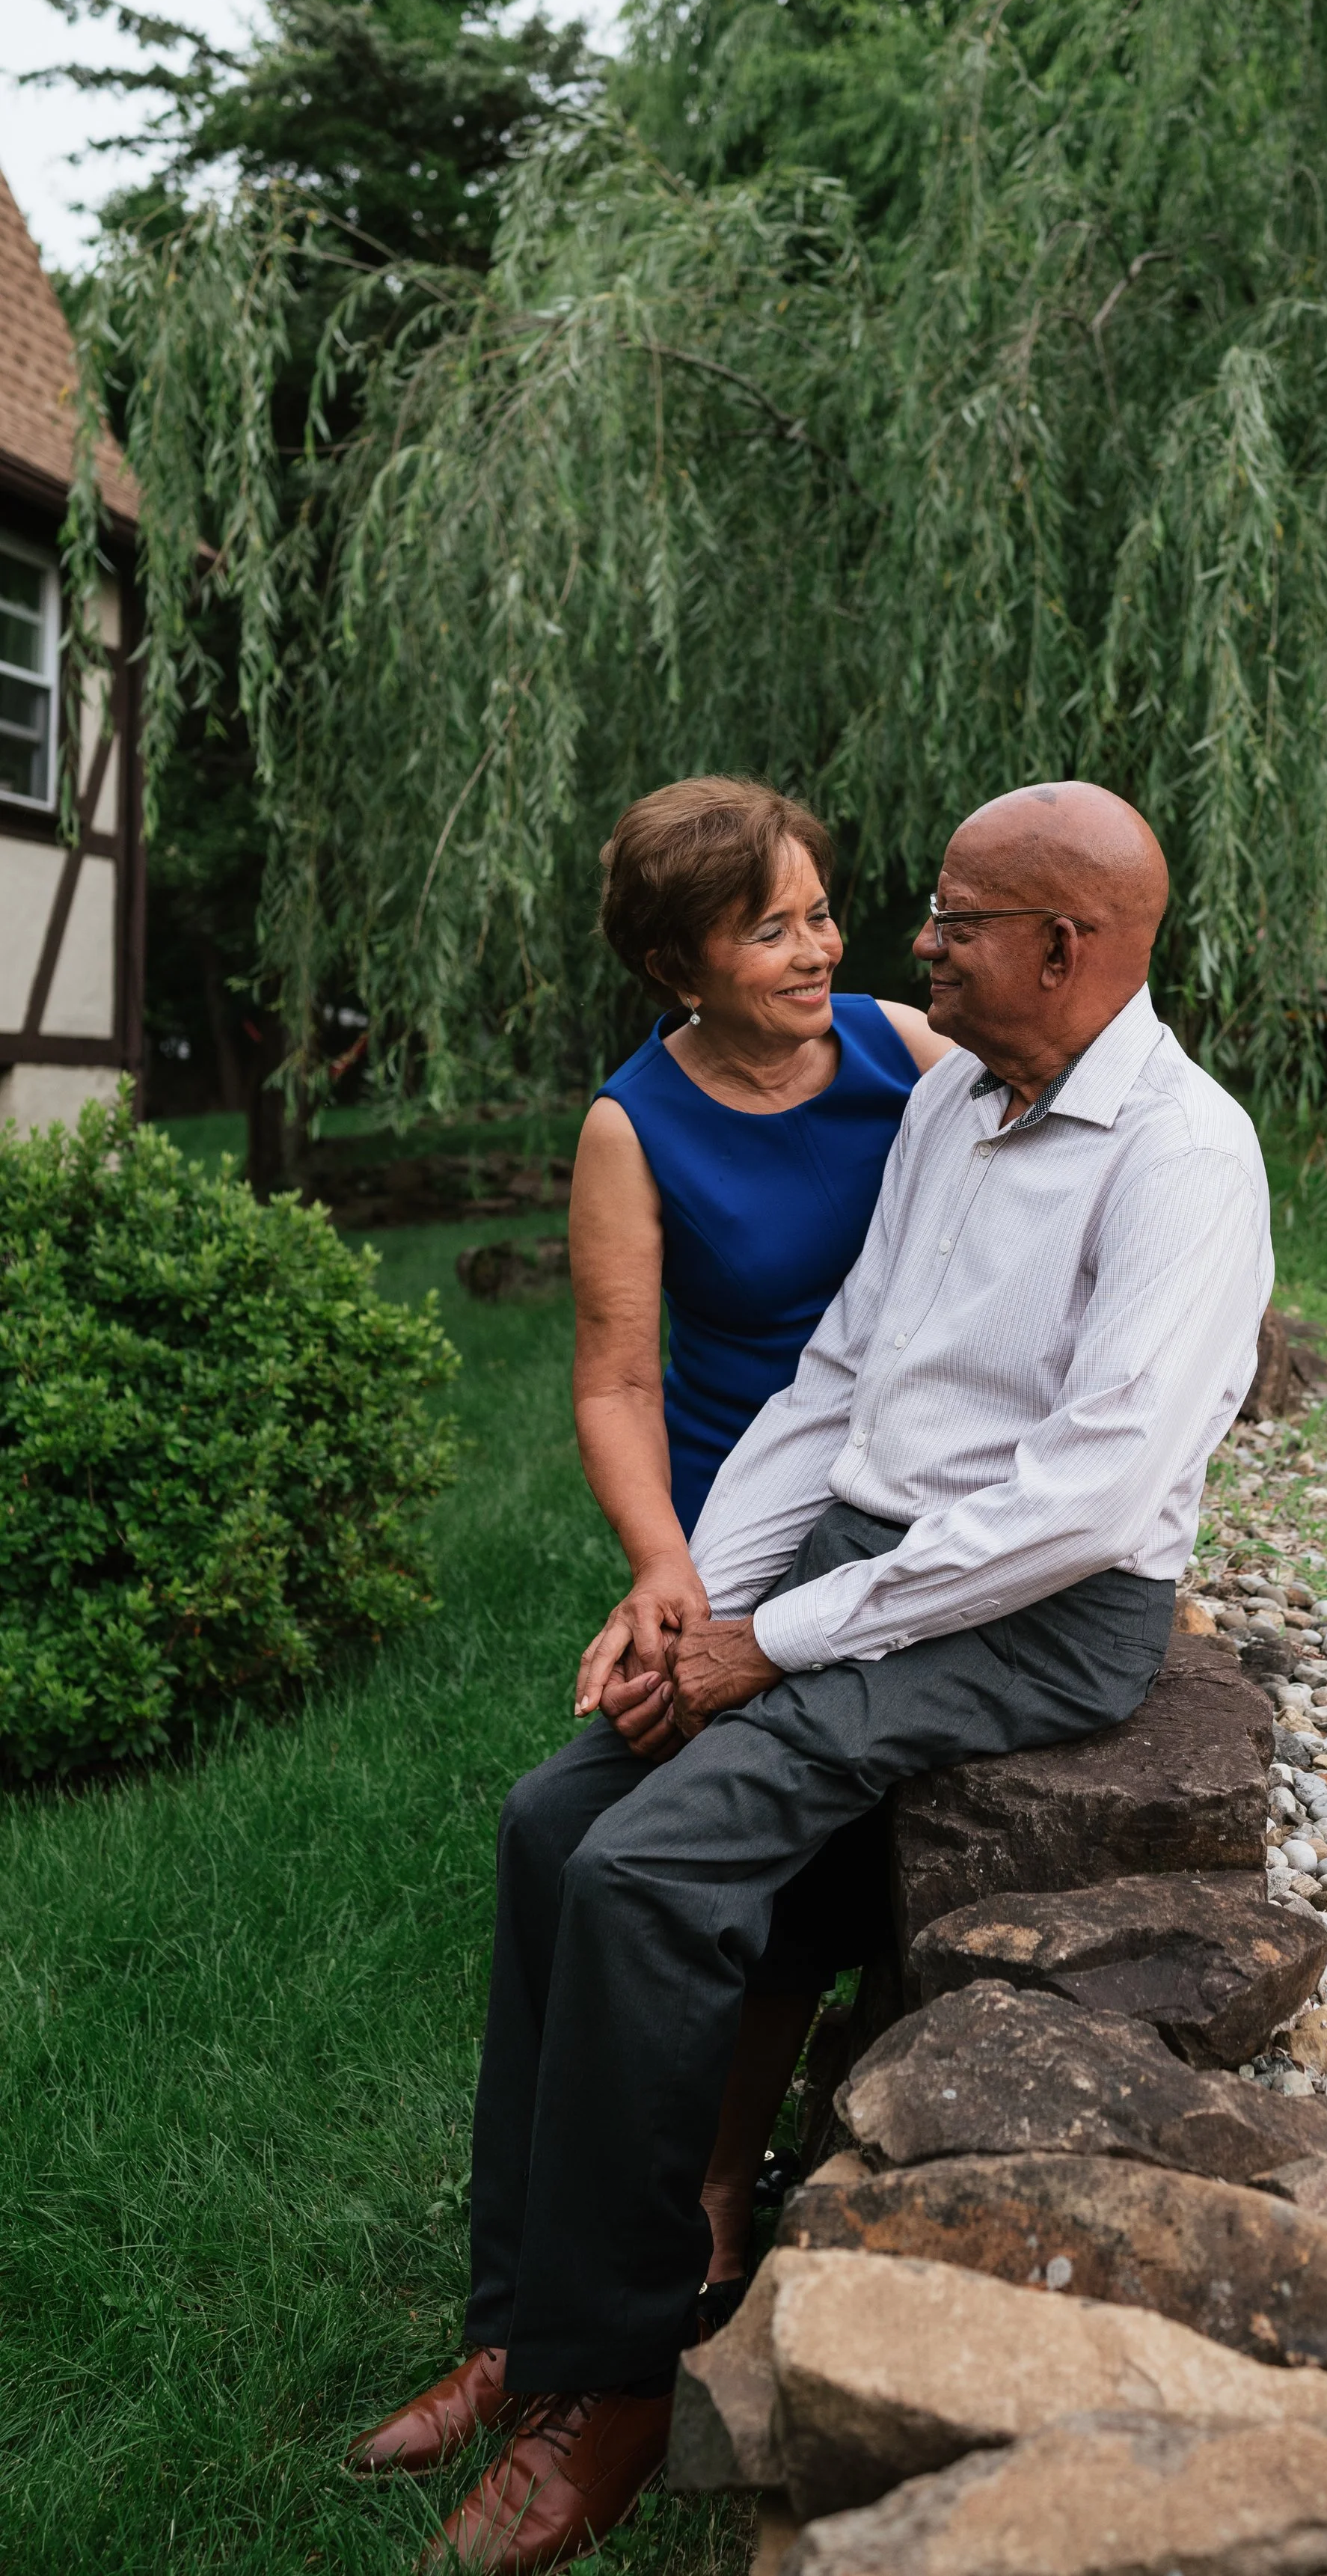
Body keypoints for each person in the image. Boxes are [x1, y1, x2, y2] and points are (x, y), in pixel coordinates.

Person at [351, 780, 1274, 2575]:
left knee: (649, 1871)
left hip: (1035, 1608)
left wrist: (771, 1647)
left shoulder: (1181, 1152)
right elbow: (836, 1383)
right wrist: (707, 1592)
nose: (907, 947)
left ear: (1062, 948)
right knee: (555, 1820)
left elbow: (1080, 1504)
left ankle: (614, 2387)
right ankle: (521, 2320)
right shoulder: (950, 1096)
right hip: (866, 1564)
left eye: (949, 918)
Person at [347, 774, 942, 2488]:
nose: (819, 945)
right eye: (771, 927)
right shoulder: (637, 1121)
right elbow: (611, 1375)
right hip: (721, 1535)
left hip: (879, 1541)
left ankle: (674, 2222)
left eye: (821, 909)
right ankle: (518, 2315)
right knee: (559, 1824)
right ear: (679, 966)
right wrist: (663, 1567)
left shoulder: (907, 1053)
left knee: (627, 1841)